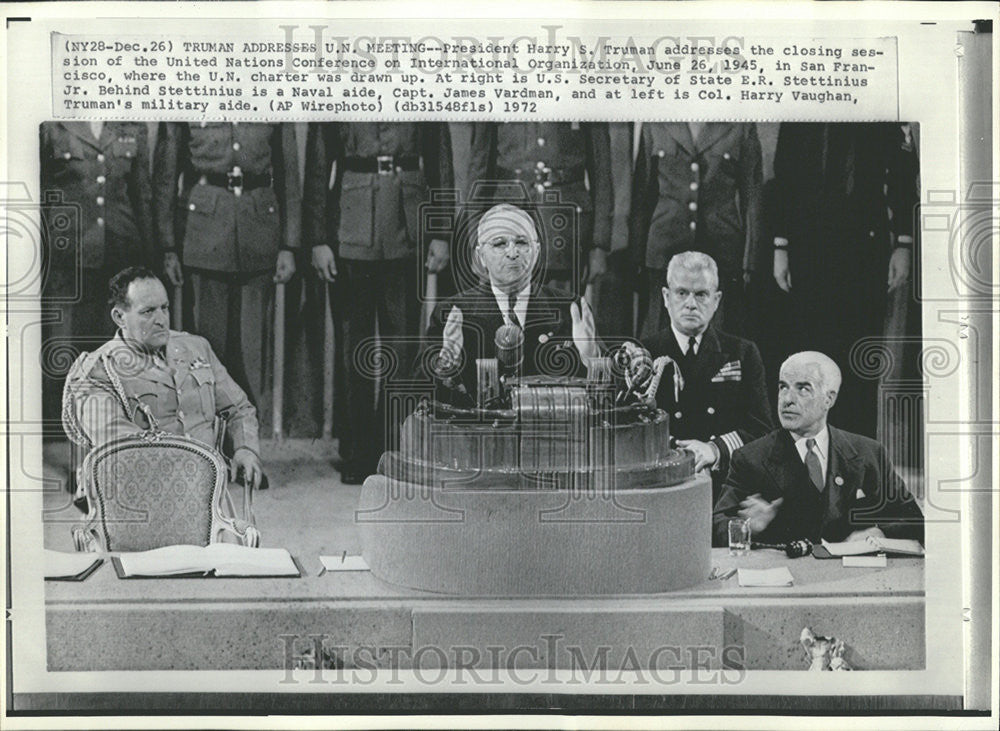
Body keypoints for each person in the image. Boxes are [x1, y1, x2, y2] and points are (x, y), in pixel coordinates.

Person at [302, 122, 451, 484]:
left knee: (402, 350)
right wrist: (318, 239)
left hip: (408, 228)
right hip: (349, 229)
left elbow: (440, 162)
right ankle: (356, 451)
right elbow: (319, 167)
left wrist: (442, 232)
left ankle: (392, 450)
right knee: (354, 348)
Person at [769, 123, 918, 438]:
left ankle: (856, 460)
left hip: (863, 252)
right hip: (807, 252)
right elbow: (784, 177)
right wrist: (780, 246)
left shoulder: (876, 103)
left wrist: (903, 243)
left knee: (859, 359)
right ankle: (808, 459)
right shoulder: (799, 107)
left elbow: (902, 172)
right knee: (810, 356)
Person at [153, 122, 301, 425]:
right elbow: (166, 175)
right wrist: (167, 245)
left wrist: (290, 244)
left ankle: (247, 453)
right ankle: (212, 454)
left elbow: (288, 174)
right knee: (207, 354)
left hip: (258, 233)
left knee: (252, 356)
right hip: (204, 235)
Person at [63, 267, 262, 490]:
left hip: (208, 494)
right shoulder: (97, 370)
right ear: (119, 317)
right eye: (148, 312)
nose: (161, 320)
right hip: (142, 496)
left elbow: (239, 408)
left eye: (164, 308)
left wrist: (245, 448)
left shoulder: (196, 347)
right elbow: (120, 445)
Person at [712, 351, 924, 547]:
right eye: (783, 387)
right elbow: (716, 526)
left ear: (828, 399)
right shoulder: (750, 458)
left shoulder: (869, 453)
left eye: (803, 388)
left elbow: (913, 519)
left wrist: (878, 532)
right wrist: (748, 528)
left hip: (852, 577)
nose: (787, 399)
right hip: (786, 578)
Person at [39, 121, 154, 430]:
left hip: (120, 256)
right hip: (68, 259)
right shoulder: (53, 125)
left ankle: (112, 441)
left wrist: (148, 261)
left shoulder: (131, 124)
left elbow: (141, 196)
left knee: (116, 354)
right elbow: (38, 191)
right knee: (66, 353)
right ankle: (72, 442)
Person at [426, 203, 598, 405]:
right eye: (499, 244)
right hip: (479, 433)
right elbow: (424, 395)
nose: (512, 252)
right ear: (480, 256)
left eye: (522, 242)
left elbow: (606, 397)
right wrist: (447, 365)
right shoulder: (452, 314)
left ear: (537, 251)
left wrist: (591, 357)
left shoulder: (571, 309)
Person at [642, 252, 772, 502]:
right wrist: (675, 450)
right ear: (666, 298)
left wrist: (714, 449)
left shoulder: (743, 353)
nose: (691, 303)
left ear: (716, 300)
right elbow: (631, 427)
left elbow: (762, 429)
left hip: (724, 487)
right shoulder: (645, 353)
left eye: (701, 294)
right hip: (661, 483)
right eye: (681, 293)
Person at [630, 123, 762, 338]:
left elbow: (752, 198)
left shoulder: (740, 126)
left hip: (720, 254)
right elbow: (642, 197)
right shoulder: (657, 122)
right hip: (664, 253)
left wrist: (750, 261)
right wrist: (636, 257)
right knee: (658, 339)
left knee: (719, 341)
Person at [465, 122, 613, 292]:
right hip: (509, 222)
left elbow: (602, 170)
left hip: (565, 230)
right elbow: (479, 168)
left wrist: (599, 244)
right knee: (508, 312)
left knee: (562, 311)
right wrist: (475, 240)